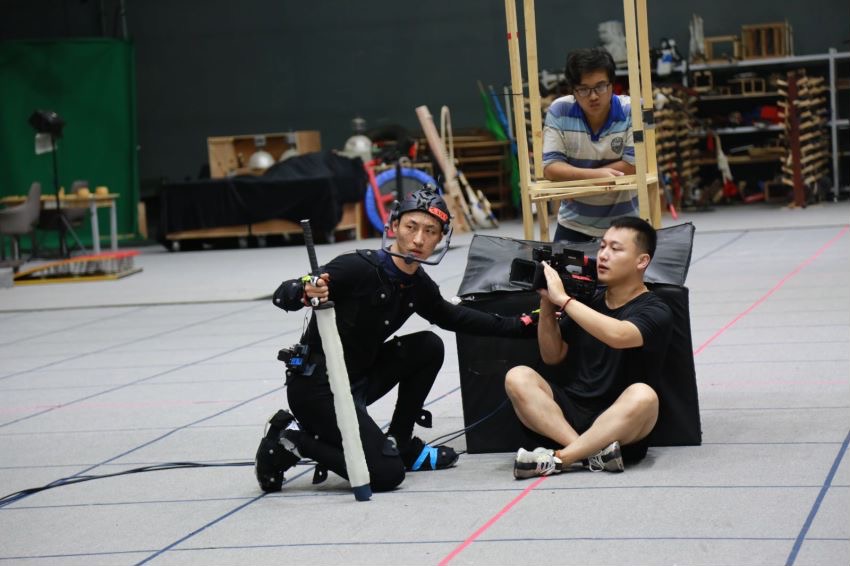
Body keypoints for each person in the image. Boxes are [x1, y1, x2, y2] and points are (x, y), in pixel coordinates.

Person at [255, 187, 535, 493]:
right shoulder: (356, 267)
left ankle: (401, 443)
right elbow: (284, 294)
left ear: (441, 239)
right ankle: (291, 440)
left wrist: (522, 324)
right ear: (394, 226)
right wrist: (304, 290)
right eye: (411, 227)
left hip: (358, 380)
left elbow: (454, 317)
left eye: (430, 231)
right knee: (386, 475)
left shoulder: (418, 285)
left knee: (428, 346)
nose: (418, 240)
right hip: (317, 388)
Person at [505, 216, 672, 478]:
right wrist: (548, 302)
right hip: (568, 415)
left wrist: (564, 300)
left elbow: (619, 335)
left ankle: (560, 458)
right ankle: (589, 455)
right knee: (517, 376)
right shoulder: (588, 301)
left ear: (642, 261)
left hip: (619, 422)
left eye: (615, 249)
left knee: (644, 396)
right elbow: (552, 356)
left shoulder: (656, 310)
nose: (603, 255)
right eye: (602, 246)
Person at [542, 47, 637, 243]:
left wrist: (574, 177)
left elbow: (633, 165)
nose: (593, 96)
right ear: (573, 91)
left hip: (625, 224)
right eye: (584, 89)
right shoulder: (559, 111)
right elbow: (551, 167)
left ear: (612, 85)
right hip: (574, 224)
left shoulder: (632, 110)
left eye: (600, 87)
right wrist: (595, 175)